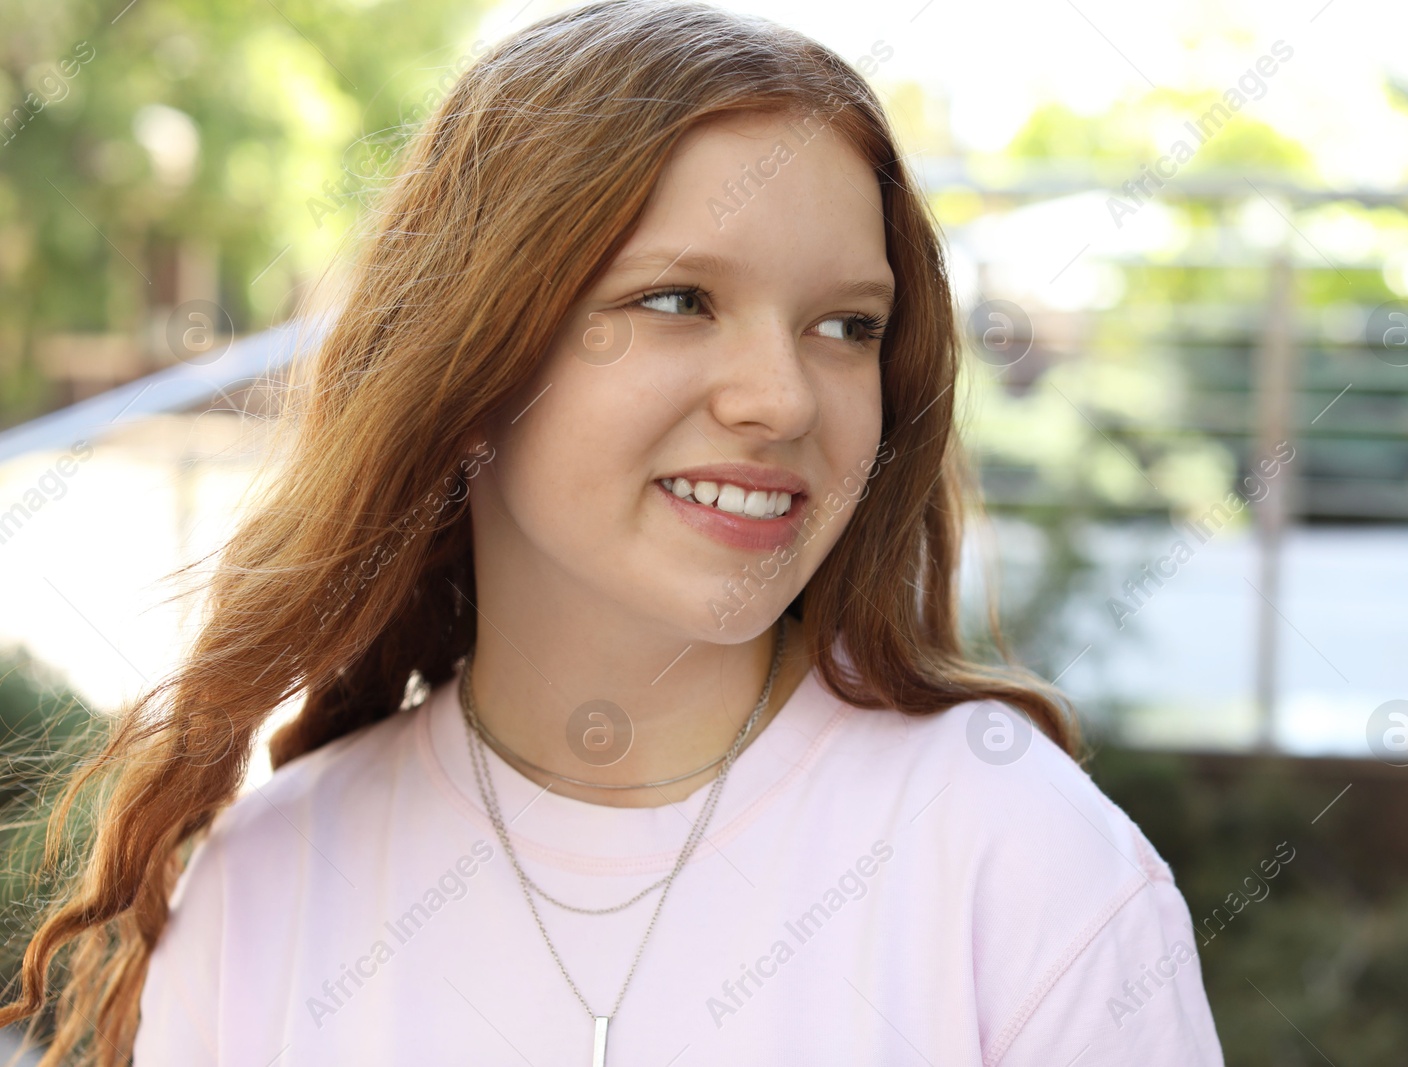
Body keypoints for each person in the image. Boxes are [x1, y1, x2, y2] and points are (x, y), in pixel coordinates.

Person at [1, 2, 1224, 1063]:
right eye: (678, 300)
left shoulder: (1021, 864)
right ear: (471, 367)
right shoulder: (270, 876)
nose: (783, 397)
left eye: (847, 325)